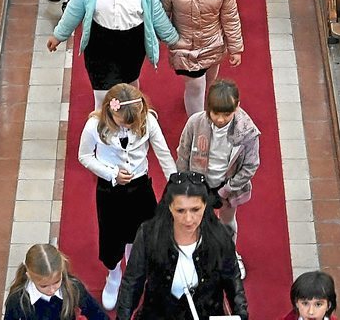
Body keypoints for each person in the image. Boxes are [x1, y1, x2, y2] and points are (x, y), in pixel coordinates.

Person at [47, 0, 180, 107]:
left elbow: (157, 14)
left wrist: (173, 40)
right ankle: (102, 121)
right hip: (100, 43)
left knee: (129, 86)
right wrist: (59, 35)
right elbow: (74, 10)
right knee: (103, 94)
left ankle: (133, 115)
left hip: (133, 43)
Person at [78, 83, 178, 310]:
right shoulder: (94, 125)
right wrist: (111, 173)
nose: (127, 127)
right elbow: (84, 156)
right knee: (112, 237)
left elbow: (163, 153)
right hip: (109, 190)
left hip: (140, 187)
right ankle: (114, 275)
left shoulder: (148, 121)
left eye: (132, 124)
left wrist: (176, 185)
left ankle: (133, 271)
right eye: (123, 123)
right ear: (110, 111)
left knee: (141, 234)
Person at [115, 171, 248, 319]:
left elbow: (233, 282)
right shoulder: (149, 234)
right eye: (180, 210)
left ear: (205, 205)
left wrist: (241, 314)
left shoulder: (220, 237)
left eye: (195, 209)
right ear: (169, 207)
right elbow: (132, 283)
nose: (188, 219)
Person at [176, 78, 258, 279]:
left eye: (226, 114)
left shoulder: (247, 132)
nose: (220, 119)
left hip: (228, 187)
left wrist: (226, 190)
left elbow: (250, 166)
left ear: (237, 107)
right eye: (215, 113)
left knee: (227, 223)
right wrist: (184, 184)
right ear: (208, 108)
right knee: (195, 222)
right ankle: (197, 256)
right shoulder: (195, 123)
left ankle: (230, 255)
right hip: (198, 184)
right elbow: (183, 153)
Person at [160, 0, 243, 115]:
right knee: (196, 86)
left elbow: (230, 17)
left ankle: (199, 103)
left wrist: (235, 47)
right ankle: (197, 125)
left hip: (213, 44)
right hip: (185, 47)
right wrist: (171, 39)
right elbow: (161, 15)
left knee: (209, 83)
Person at [2, 243, 108, 320]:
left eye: (57, 282)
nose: (52, 290)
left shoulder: (73, 287)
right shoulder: (17, 299)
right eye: (44, 286)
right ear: (29, 276)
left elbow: (95, 312)